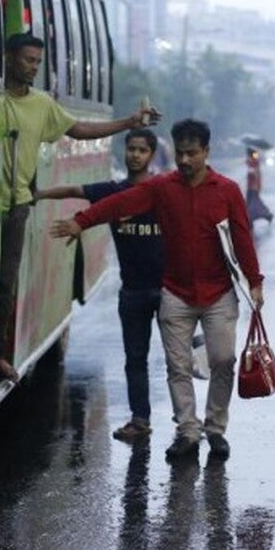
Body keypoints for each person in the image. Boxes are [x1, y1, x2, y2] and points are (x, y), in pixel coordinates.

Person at [50, 118, 264, 462]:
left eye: (192, 154)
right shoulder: (163, 187)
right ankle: (188, 432)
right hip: (175, 294)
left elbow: (242, 237)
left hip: (218, 293)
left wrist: (255, 282)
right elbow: (120, 203)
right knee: (177, 366)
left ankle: (216, 429)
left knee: (223, 361)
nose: (184, 160)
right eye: (180, 153)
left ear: (206, 152)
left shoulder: (226, 191)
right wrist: (81, 221)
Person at [0, 32, 159, 382]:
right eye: (28, 60)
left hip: (16, 206)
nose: (33, 68)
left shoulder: (41, 104)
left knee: (5, 283)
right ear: (7, 58)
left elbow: (80, 129)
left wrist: (128, 123)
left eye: (38, 62)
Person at [34, 128, 164, 441]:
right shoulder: (112, 191)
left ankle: (189, 423)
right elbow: (74, 190)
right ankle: (140, 419)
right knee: (135, 359)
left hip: (167, 290)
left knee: (178, 360)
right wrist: (39, 195)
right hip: (132, 291)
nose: (135, 155)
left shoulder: (164, 191)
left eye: (142, 150)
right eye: (131, 149)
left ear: (152, 155)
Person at [244, 147, 273, 223]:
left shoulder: (254, 162)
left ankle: (265, 215)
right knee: (252, 202)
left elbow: (254, 174)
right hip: (252, 186)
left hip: (253, 186)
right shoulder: (252, 161)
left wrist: (249, 165)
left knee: (254, 203)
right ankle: (249, 216)